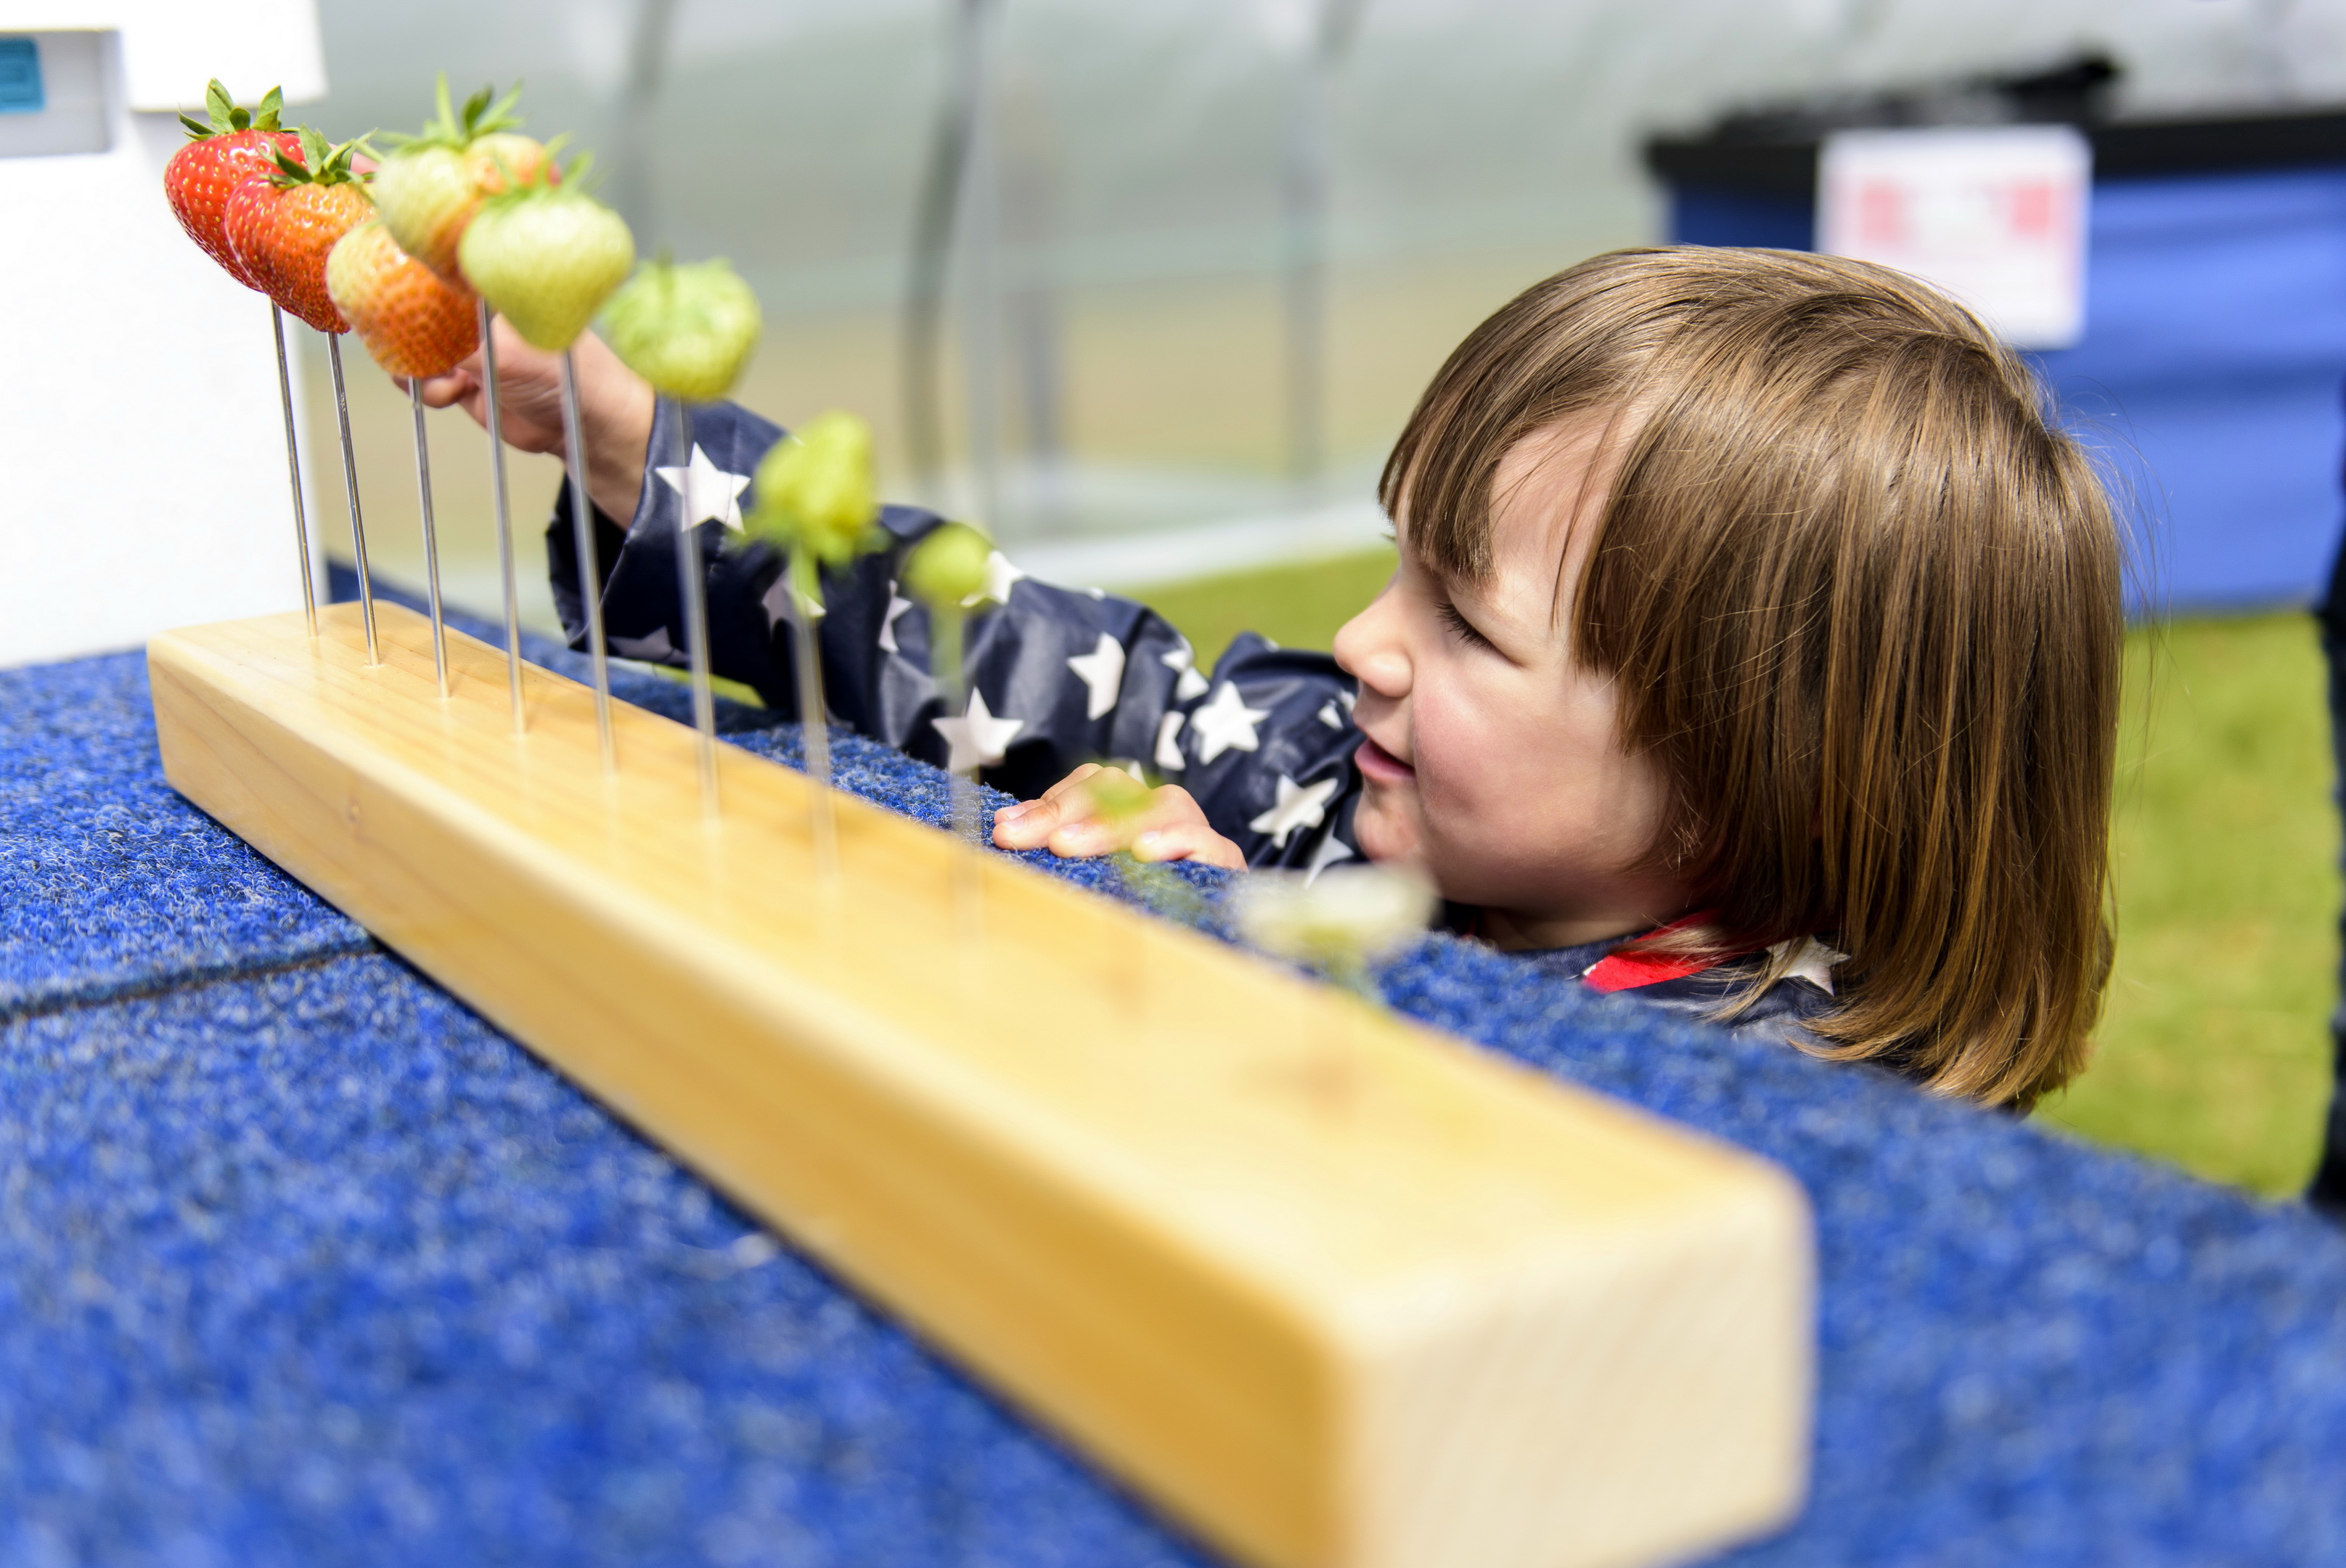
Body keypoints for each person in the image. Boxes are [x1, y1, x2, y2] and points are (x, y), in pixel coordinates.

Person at [418, 247, 2123, 1111]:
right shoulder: (1334, 771)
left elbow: (1452, 1194)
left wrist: (1230, 966)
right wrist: (646, 448)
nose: (1367, 645)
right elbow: (1012, 650)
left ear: (1760, 764)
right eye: (1401, 567)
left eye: (1466, 625)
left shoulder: (1769, 1083)